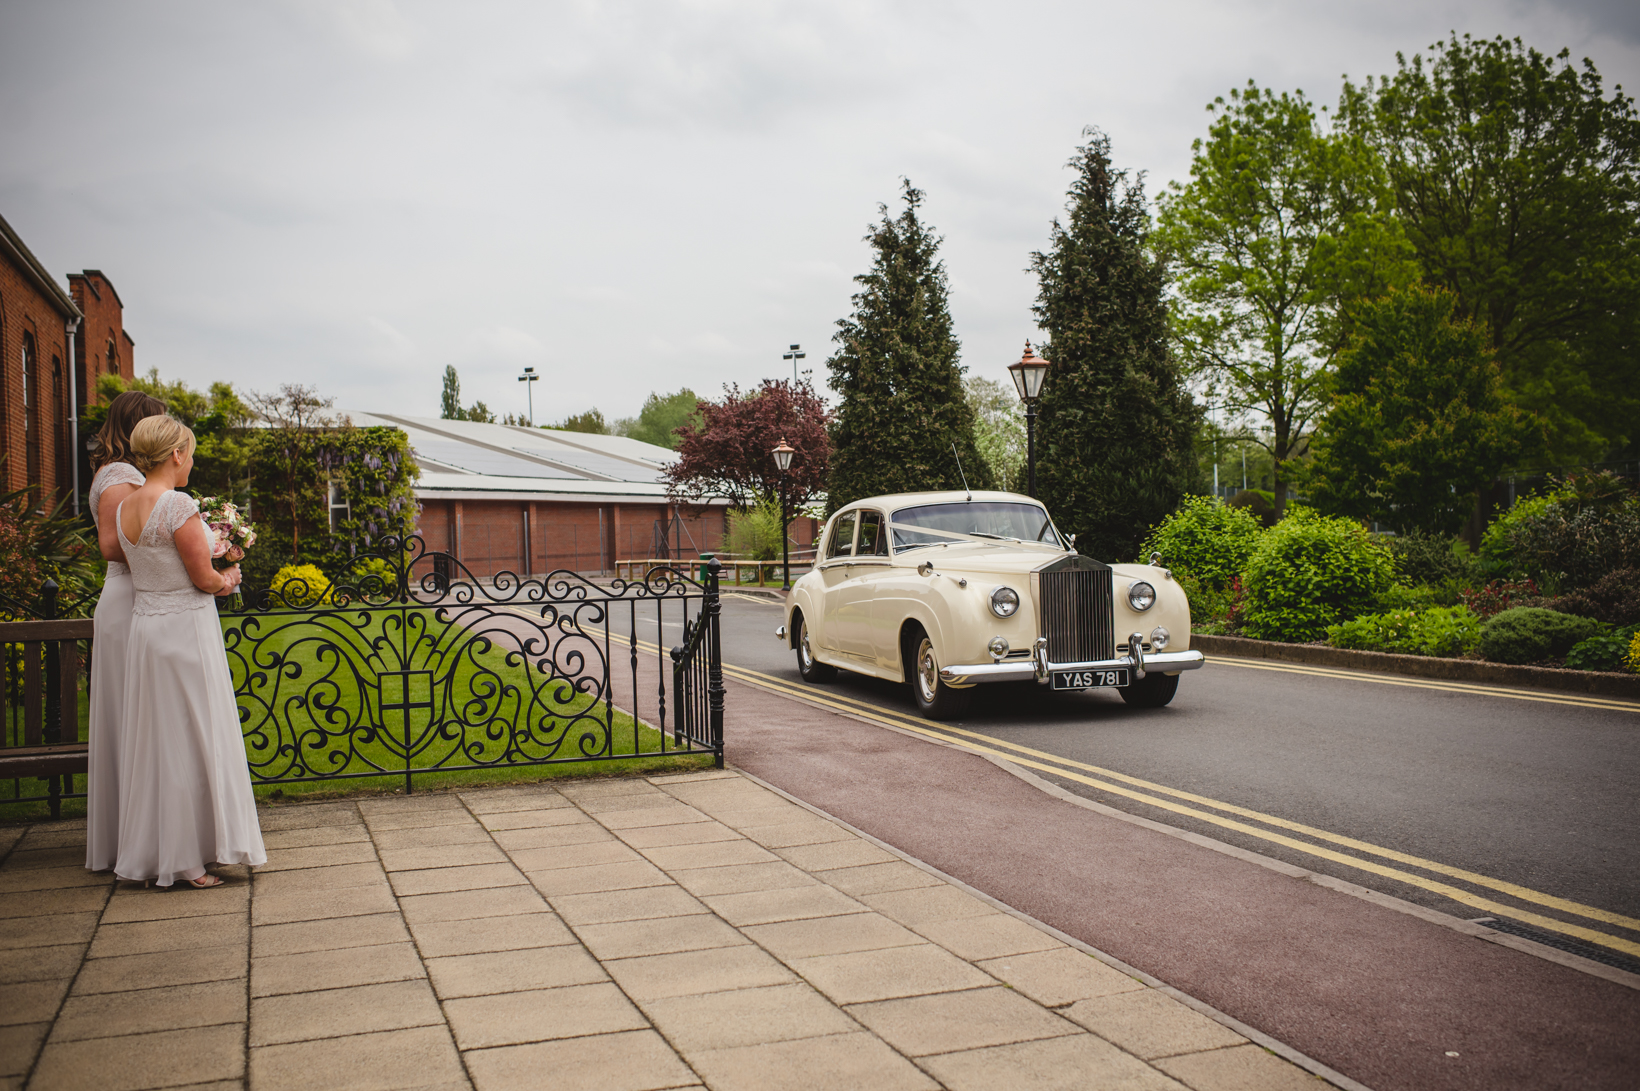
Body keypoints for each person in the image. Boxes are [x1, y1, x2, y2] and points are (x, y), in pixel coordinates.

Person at [114, 415, 265, 888]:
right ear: (176, 454)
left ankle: (170, 850)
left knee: (159, 740)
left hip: (147, 628)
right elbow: (203, 579)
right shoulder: (177, 503)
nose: (192, 461)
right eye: (192, 453)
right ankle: (189, 861)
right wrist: (230, 579)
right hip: (184, 629)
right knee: (194, 734)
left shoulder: (125, 506)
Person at [85, 390, 169, 873]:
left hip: (148, 596)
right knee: (129, 717)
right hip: (129, 600)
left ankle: (150, 834)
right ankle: (131, 841)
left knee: (143, 717)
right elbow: (114, 545)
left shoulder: (131, 474)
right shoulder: (119, 476)